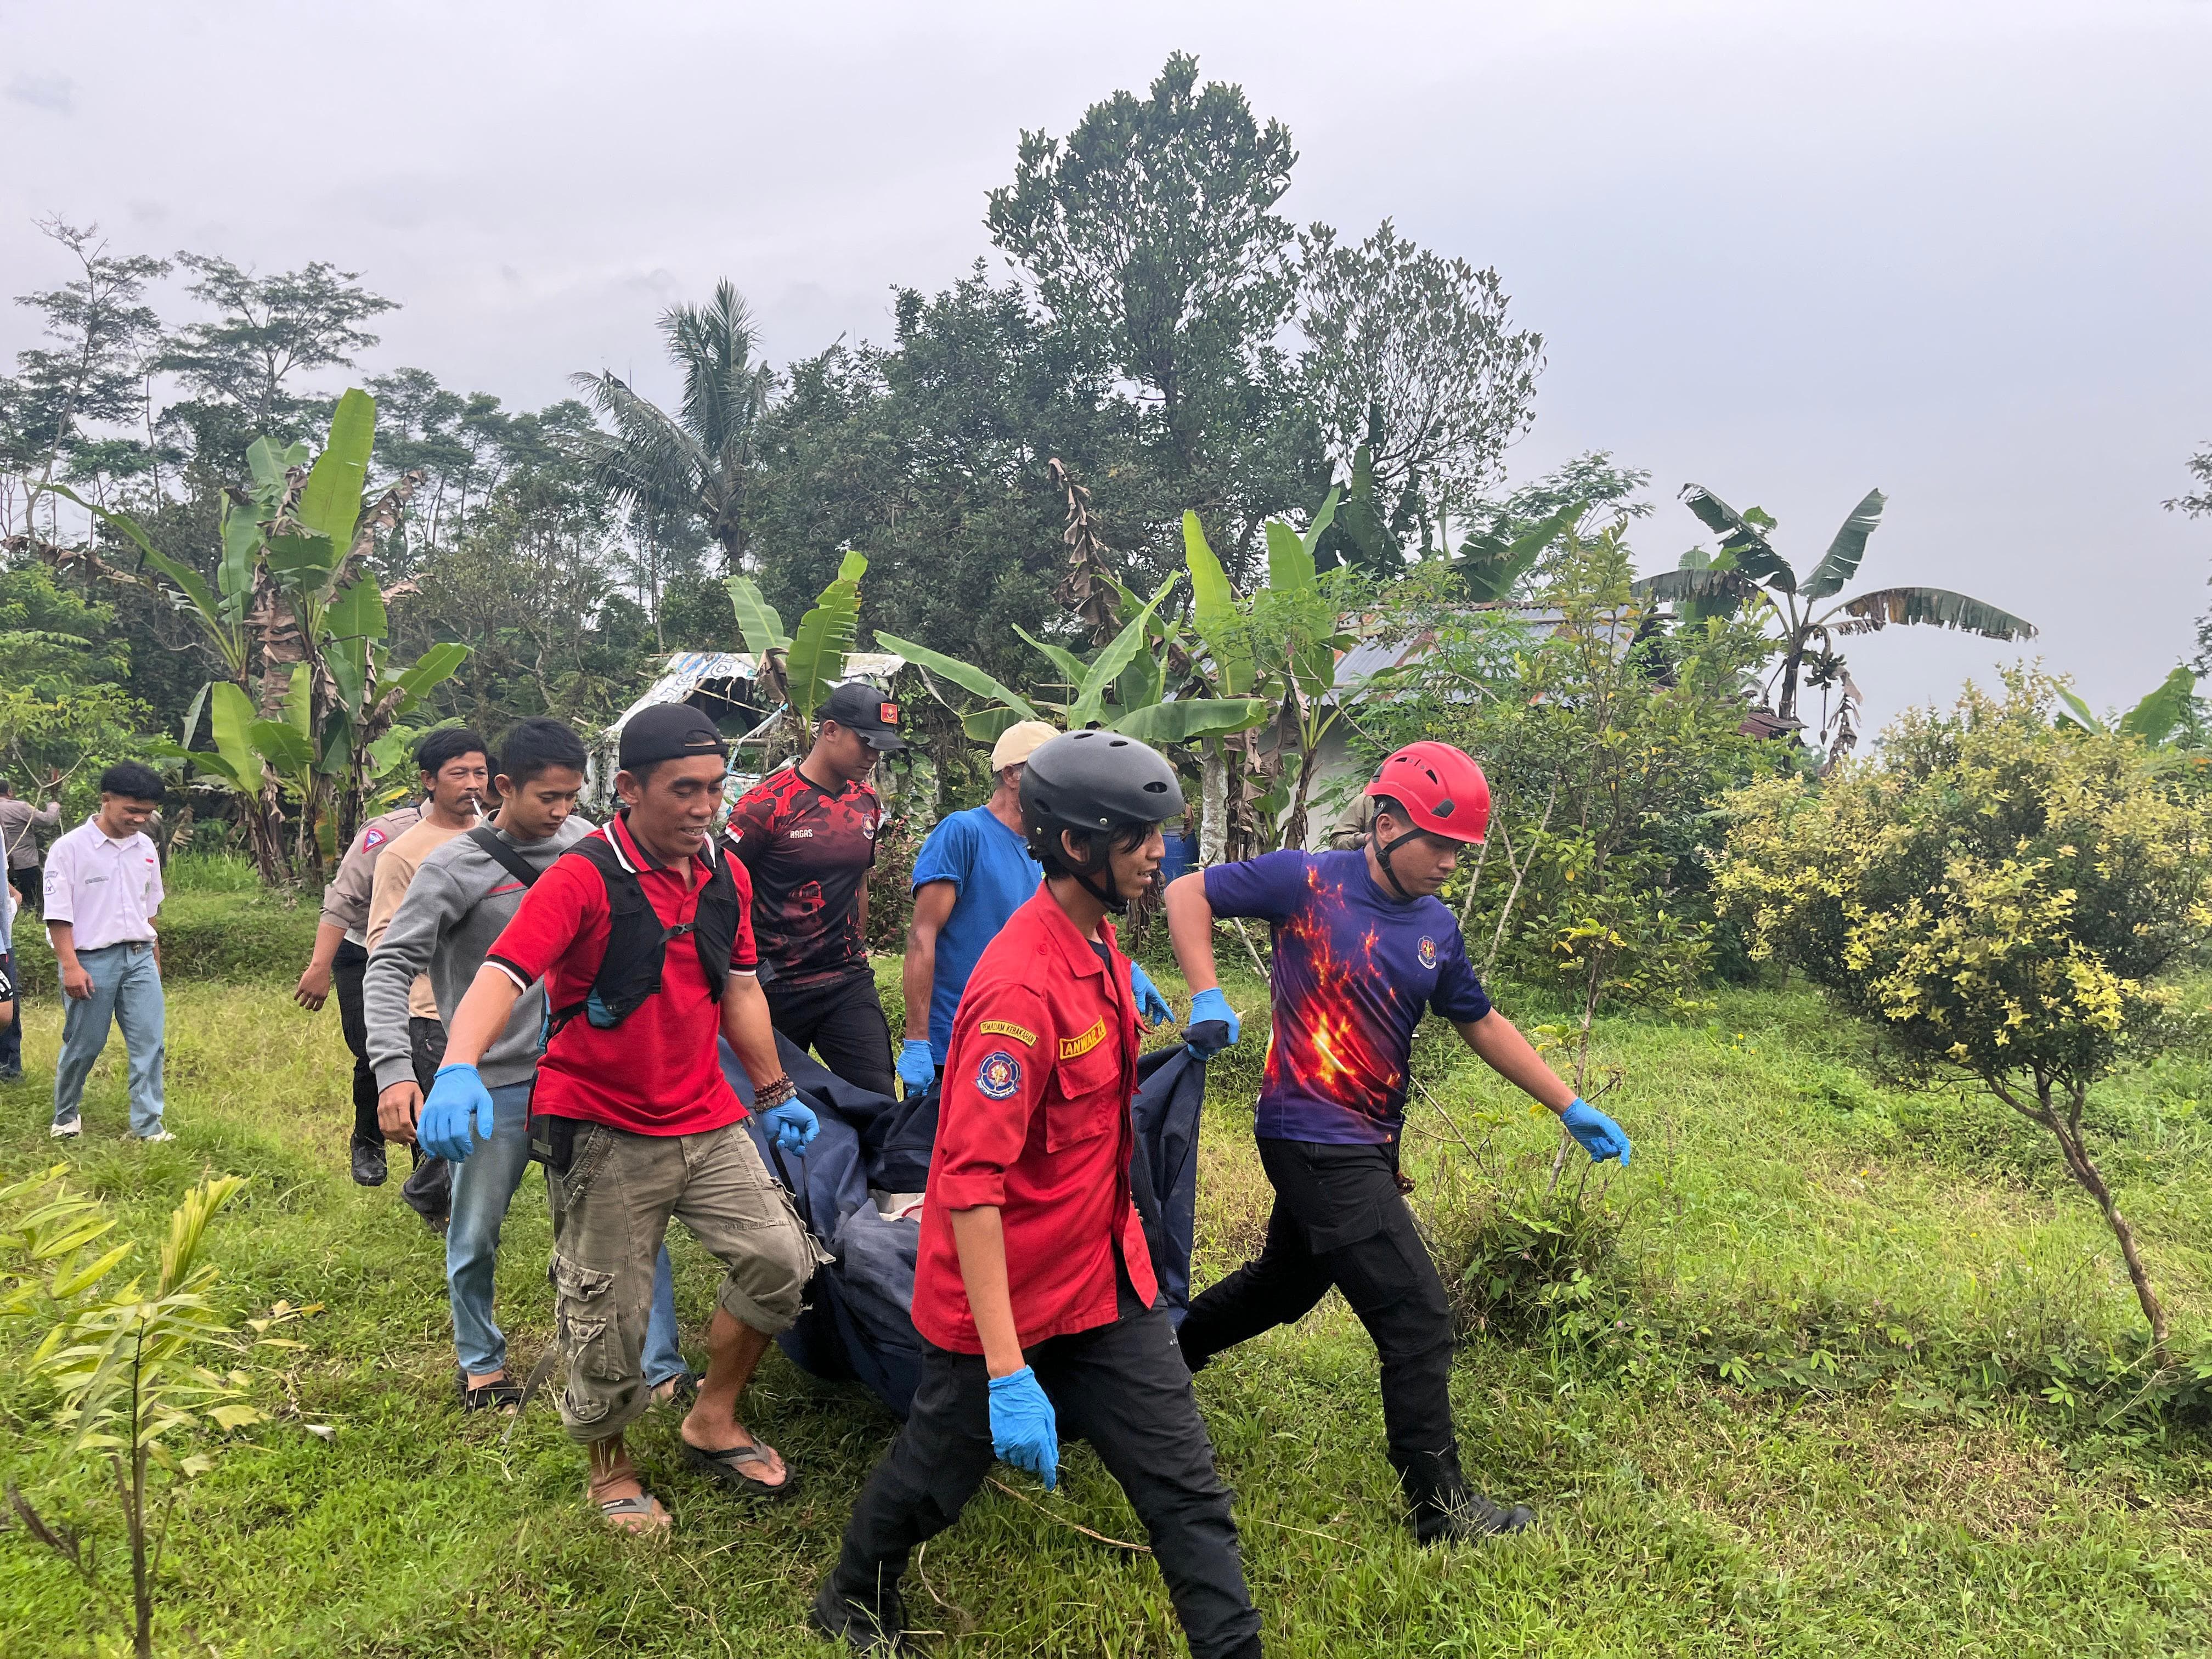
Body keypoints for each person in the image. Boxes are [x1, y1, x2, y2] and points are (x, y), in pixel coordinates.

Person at [813, 730, 1263, 1659]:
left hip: (1103, 1280)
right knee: (938, 1476)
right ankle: (853, 1594)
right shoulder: (1018, 991)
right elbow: (969, 1187)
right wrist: (1010, 1371)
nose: (1159, 853)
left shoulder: (1096, 938)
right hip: (999, 1302)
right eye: (1139, 837)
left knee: (1186, 1488)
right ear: (1075, 845)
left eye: (1161, 834)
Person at [1164, 741, 1633, 1544]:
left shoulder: (1436, 927)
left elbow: (1479, 1020)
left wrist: (1569, 1104)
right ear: (1384, 824)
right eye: (1439, 842)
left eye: (1462, 848)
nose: (1451, 862)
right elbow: (1184, 892)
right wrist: (1207, 992)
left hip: (1368, 1139)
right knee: (1417, 1317)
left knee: (1286, 1286)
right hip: (1310, 1135)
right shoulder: (1305, 880)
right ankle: (1440, 1509)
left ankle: (1155, 1368)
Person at [420, 703, 823, 1533]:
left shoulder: (724, 875)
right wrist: (458, 1065)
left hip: (708, 1120)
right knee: (607, 1310)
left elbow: (740, 987)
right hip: (603, 1126)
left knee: (783, 1263)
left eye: (715, 788)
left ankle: (712, 1416)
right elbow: (503, 973)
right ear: (630, 788)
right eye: (685, 790)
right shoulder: (583, 875)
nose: (705, 807)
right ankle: (610, 1464)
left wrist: (776, 1090)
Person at [366, 719, 692, 1413]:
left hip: (585, 1075)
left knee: (628, 1224)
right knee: (477, 1229)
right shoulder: (453, 868)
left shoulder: (592, 849)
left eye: (574, 797)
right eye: (548, 797)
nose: (562, 812)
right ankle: (481, 1363)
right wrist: (396, 1070)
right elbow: (390, 964)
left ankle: (661, 1366)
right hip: (495, 1084)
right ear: (504, 787)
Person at [898, 720, 1175, 1097]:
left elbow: (1060, 928)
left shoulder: (1045, 847)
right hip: (959, 1035)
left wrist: (1120, 969)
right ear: (1012, 775)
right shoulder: (964, 832)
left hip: (1026, 1027)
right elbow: (922, 934)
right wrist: (918, 1039)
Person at [727, 681, 903, 1098]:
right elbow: (724, 889)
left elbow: (859, 880)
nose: (874, 756)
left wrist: (856, 947)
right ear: (829, 731)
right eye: (865, 743)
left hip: (846, 982)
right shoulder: (766, 806)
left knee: (879, 1103)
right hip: (774, 988)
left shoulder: (867, 802)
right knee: (767, 1109)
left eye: (881, 746)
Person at [357, 730, 492, 1223]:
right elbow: (384, 944)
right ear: (429, 781)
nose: (472, 784)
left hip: (501, 1005)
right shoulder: (403, 853)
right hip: (434, 1010)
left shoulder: (499, 838)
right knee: (453, 1117)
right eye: (459, 774)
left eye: (480, 772)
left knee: (486, 1106)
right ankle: (438, 1200)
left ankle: (442, 1195)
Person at [294, 772, 430, 1185]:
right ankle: (368, 1141)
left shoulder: (479, 834)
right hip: (364, 950)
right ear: (431, 781)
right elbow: (344, 898)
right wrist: (320, 967)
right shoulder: (387, 833)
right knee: (374, 1047)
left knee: (426, 1046)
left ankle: (426, 1156)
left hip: (430, 957)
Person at [45, 761, 172, 1143]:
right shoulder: (69, 850)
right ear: (106, 800)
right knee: (85, 1045)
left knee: (150, 1043)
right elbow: (58, 915)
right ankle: (65, 1117)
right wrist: (70, 966)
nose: (138, 819)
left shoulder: (146, 847)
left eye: (146, 813)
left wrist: (154, 958)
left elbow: (149, 909)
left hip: (139, 957)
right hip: (90, 961)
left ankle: (148, 1127)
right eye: (131, 810)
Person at [0, 773, 63, 917]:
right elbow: (47, 820)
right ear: (9, 792)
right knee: (33, 904)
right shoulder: (20, 807)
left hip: (3, 866)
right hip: (25, 865)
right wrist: (54, 806)